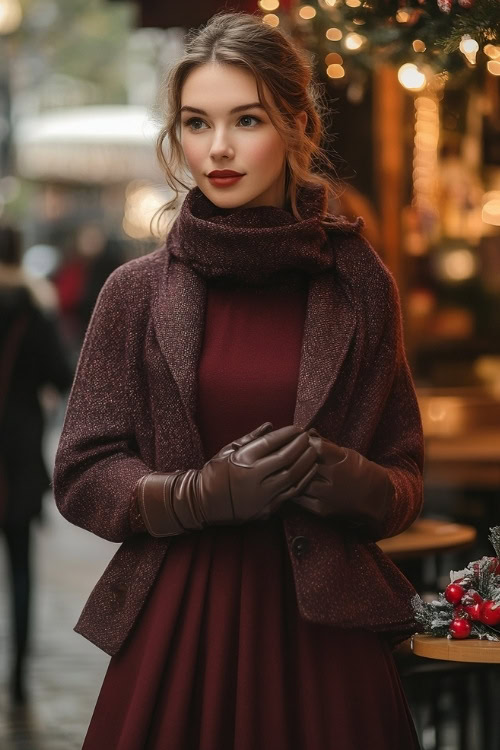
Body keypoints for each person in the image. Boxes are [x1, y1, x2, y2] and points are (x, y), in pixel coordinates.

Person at [54, 12, 424, 750]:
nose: (217, 148)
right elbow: (82, 471)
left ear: (295, 126)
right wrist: (194, 494)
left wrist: (355, 483)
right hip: (181, 625)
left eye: (245, 119)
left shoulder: (359, 283)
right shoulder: (136, 291)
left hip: (328, 639)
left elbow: (404, 471)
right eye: (196, 122)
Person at [0, 225, 73, 704]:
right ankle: (20, 675)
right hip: (18, 454)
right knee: (21, 567)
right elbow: (63, 375)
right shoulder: (32, 305)